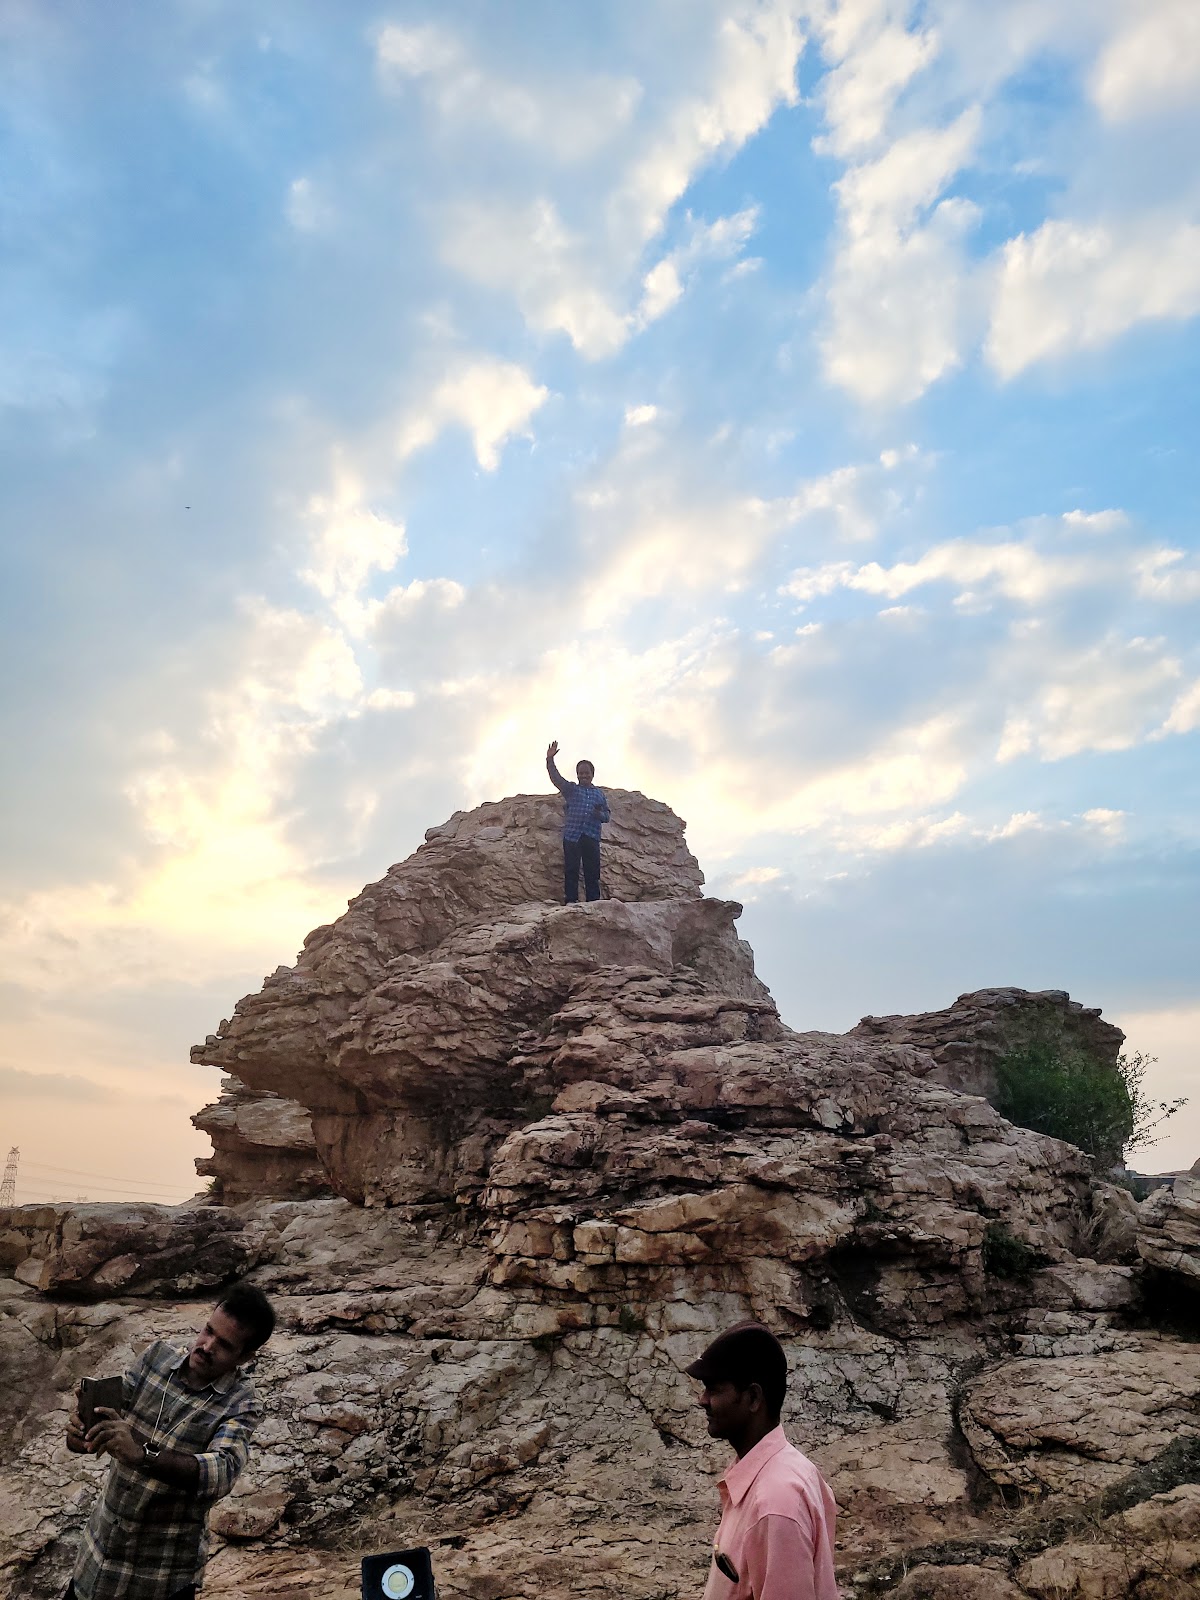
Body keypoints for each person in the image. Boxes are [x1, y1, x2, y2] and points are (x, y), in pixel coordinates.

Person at [64, 1281, 275, 1600]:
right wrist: (82, 1430)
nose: (206, 1346)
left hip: (159, 1580)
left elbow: (221, 1472)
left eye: (225, 1344)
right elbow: (113, 1404)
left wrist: (141, 1455)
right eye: (208, 1331)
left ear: (246, 1357)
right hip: (95, 1564)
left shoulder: (242, 1403)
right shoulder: (158, 1355)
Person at [689, 1321, 839, 1600]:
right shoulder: (787, 1471)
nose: (702, 1400)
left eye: (714, 1388)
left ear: (754, 1397)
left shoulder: (775, 1502)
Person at [545, 739, 610, 904]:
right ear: (577, 774)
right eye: (581, 773)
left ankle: (594, 903)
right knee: (571, 869)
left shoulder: (599, 794)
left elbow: (607, 816)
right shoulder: (572, 790)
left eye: (586, 773)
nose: (583, 775)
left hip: (591, 835)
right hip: (572, 835)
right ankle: (571, 901)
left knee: (592, 872)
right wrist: (550, 760)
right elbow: (556, 779)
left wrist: (598, 814)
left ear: (592, 774)